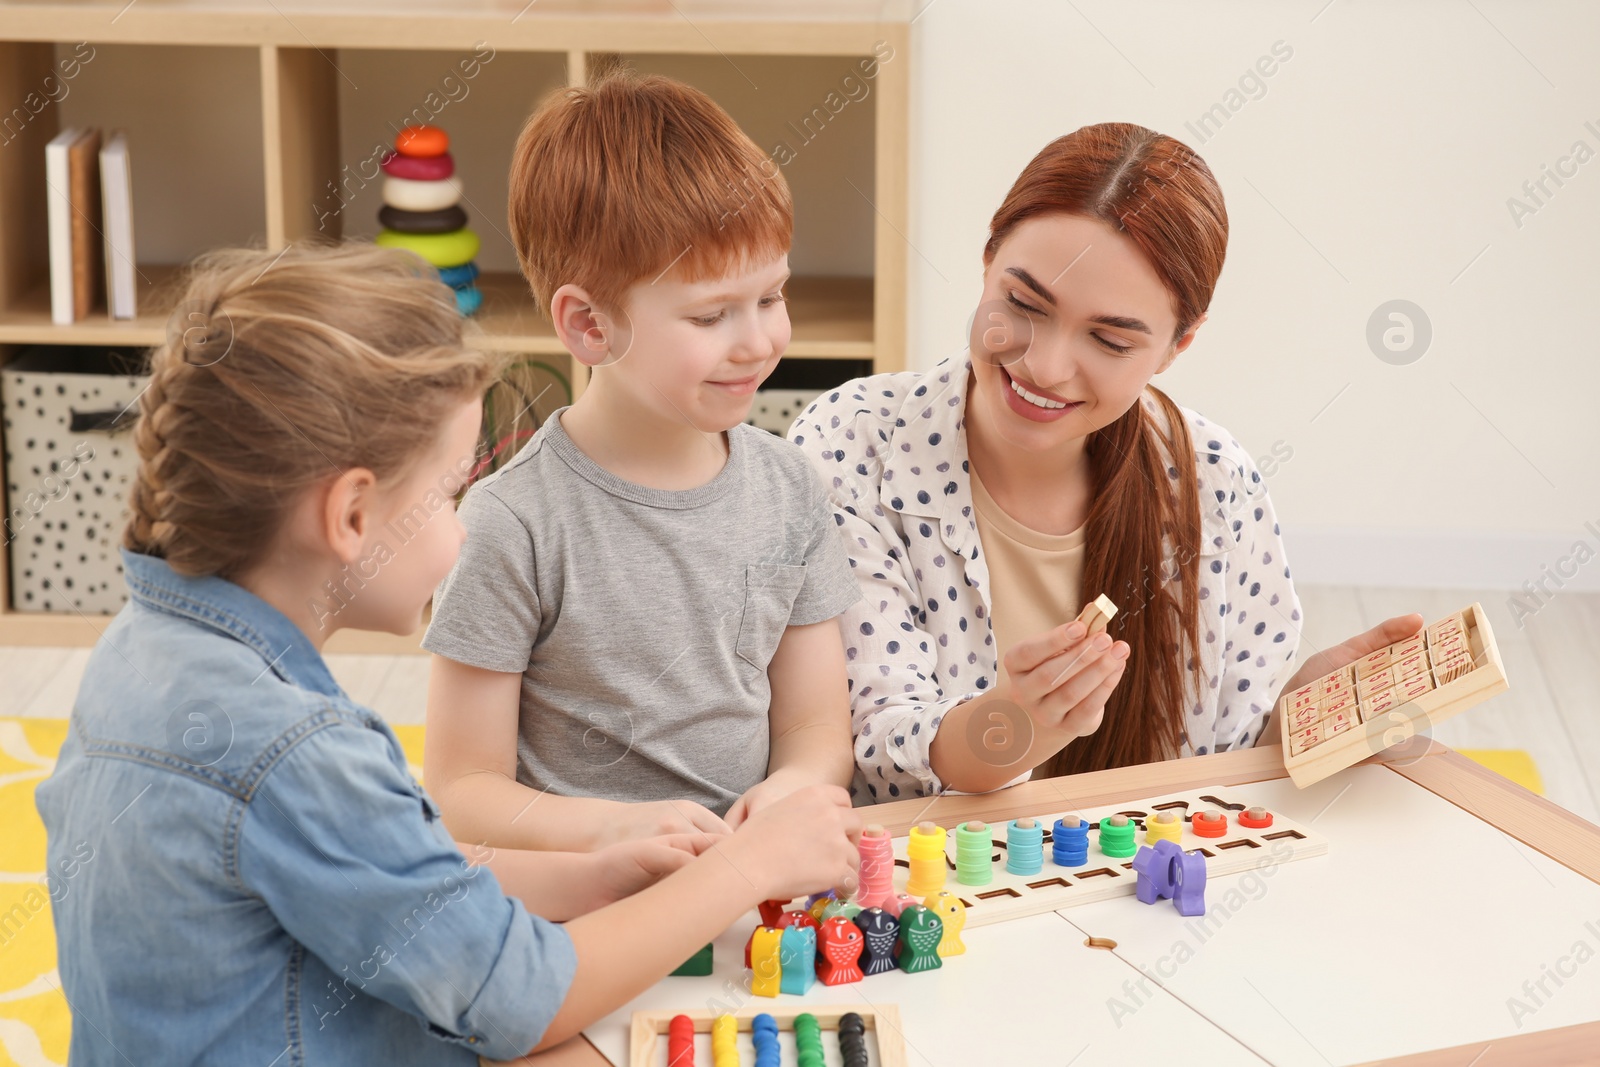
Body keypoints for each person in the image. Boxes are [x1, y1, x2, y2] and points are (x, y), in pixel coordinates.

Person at [35, 243, 860, 1065]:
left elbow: (382, 874)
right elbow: (523, 1003)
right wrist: (745, 865)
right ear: (353, 516)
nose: (462, 526)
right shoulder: (296, 749)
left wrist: (592, 874)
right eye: (445, 493)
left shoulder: (142, 649)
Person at [790, 123, 1420, 799]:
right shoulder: (849, 445)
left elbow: (1220, 775)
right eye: (1024, 304)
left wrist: (1303, 714)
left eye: (1111, 340)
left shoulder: (1216, 481)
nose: (1045, 365)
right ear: (987, 259)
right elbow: (875, 754)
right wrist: (1014, 726)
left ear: (1179, 346)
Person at [423, 71, 862, 851]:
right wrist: (621, 831)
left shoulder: (791, 487)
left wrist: (795, 784)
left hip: (748, 895)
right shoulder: (513, 522)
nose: (759, 340)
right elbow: (461, 791)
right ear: (590, 326)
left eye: (771, 297)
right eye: (711, 313)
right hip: (584, 912)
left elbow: (818, 725)